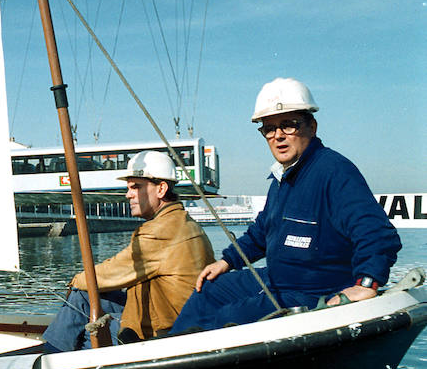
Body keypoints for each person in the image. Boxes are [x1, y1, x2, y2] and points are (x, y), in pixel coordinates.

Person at [171, 78, 402, 334]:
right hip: (277, 280)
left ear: (311, 127)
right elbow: (261, 232)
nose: (278, 136)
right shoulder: (282, 178)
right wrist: (227, 261)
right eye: (269, 128)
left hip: (312, 291)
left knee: (228, 317)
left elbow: (376, 233)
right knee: (210, 288)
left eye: (288, 126)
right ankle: (167, 352)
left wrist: (367, 283)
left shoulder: (334, 172)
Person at [42, 151, 214, 351]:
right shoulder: (183, 223)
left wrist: (75, 281)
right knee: (87, 298)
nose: (128, 194)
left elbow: (111, 271)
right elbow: (118, 269)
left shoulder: (160, 231)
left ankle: (49, 362)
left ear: (161, 189)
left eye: (136, 187)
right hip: (183, 316)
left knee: (81, 295)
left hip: (165, 330)